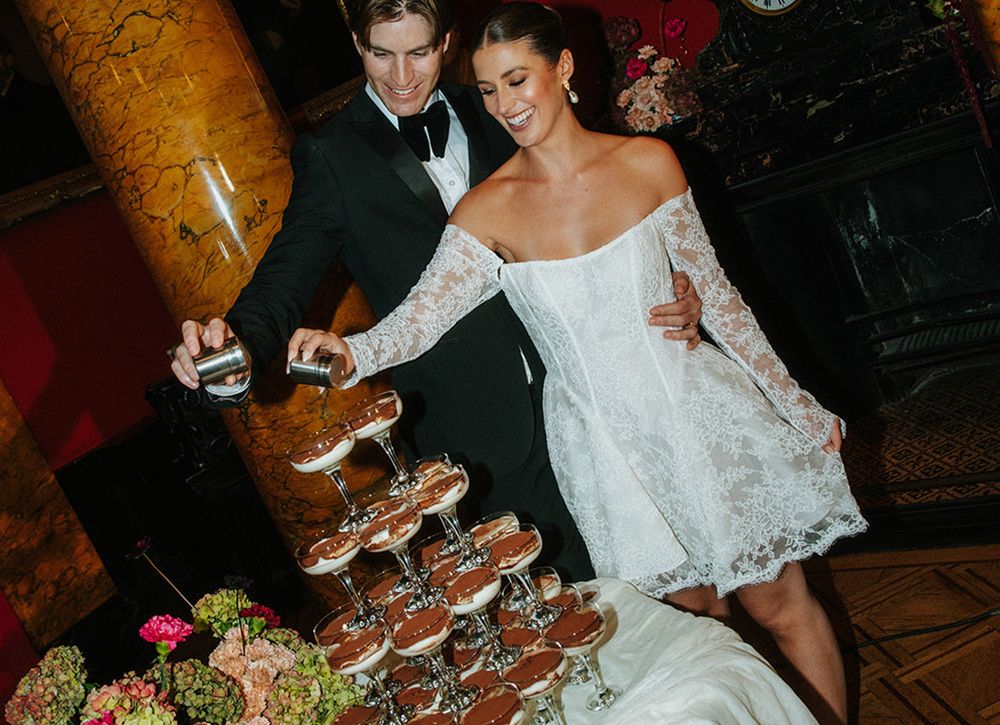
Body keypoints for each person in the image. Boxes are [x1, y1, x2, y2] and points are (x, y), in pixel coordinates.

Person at [294, 2, 869, 725]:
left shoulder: (648, 164)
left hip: (692, 414)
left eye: (518, 79)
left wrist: (795, 404)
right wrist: (351, 353)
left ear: (562, 69)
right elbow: (418, 319)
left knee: (780, 603)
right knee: (697, 634)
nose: (506, 104)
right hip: (604, 451)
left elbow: (720, 299)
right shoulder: (485, 209)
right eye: (490, 90)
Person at [169, 0, 704, 583]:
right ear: (356, 42)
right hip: (475, 428)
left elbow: (595, 199)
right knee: (564, 602)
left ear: (447, 42)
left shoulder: (500, 105)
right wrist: (236, 346)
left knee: (673, 579)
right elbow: (284, 277)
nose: (401, 77)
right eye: (382, 53)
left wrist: (672, 280)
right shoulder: (333, 156)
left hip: (593, 391)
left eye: (419, 52)